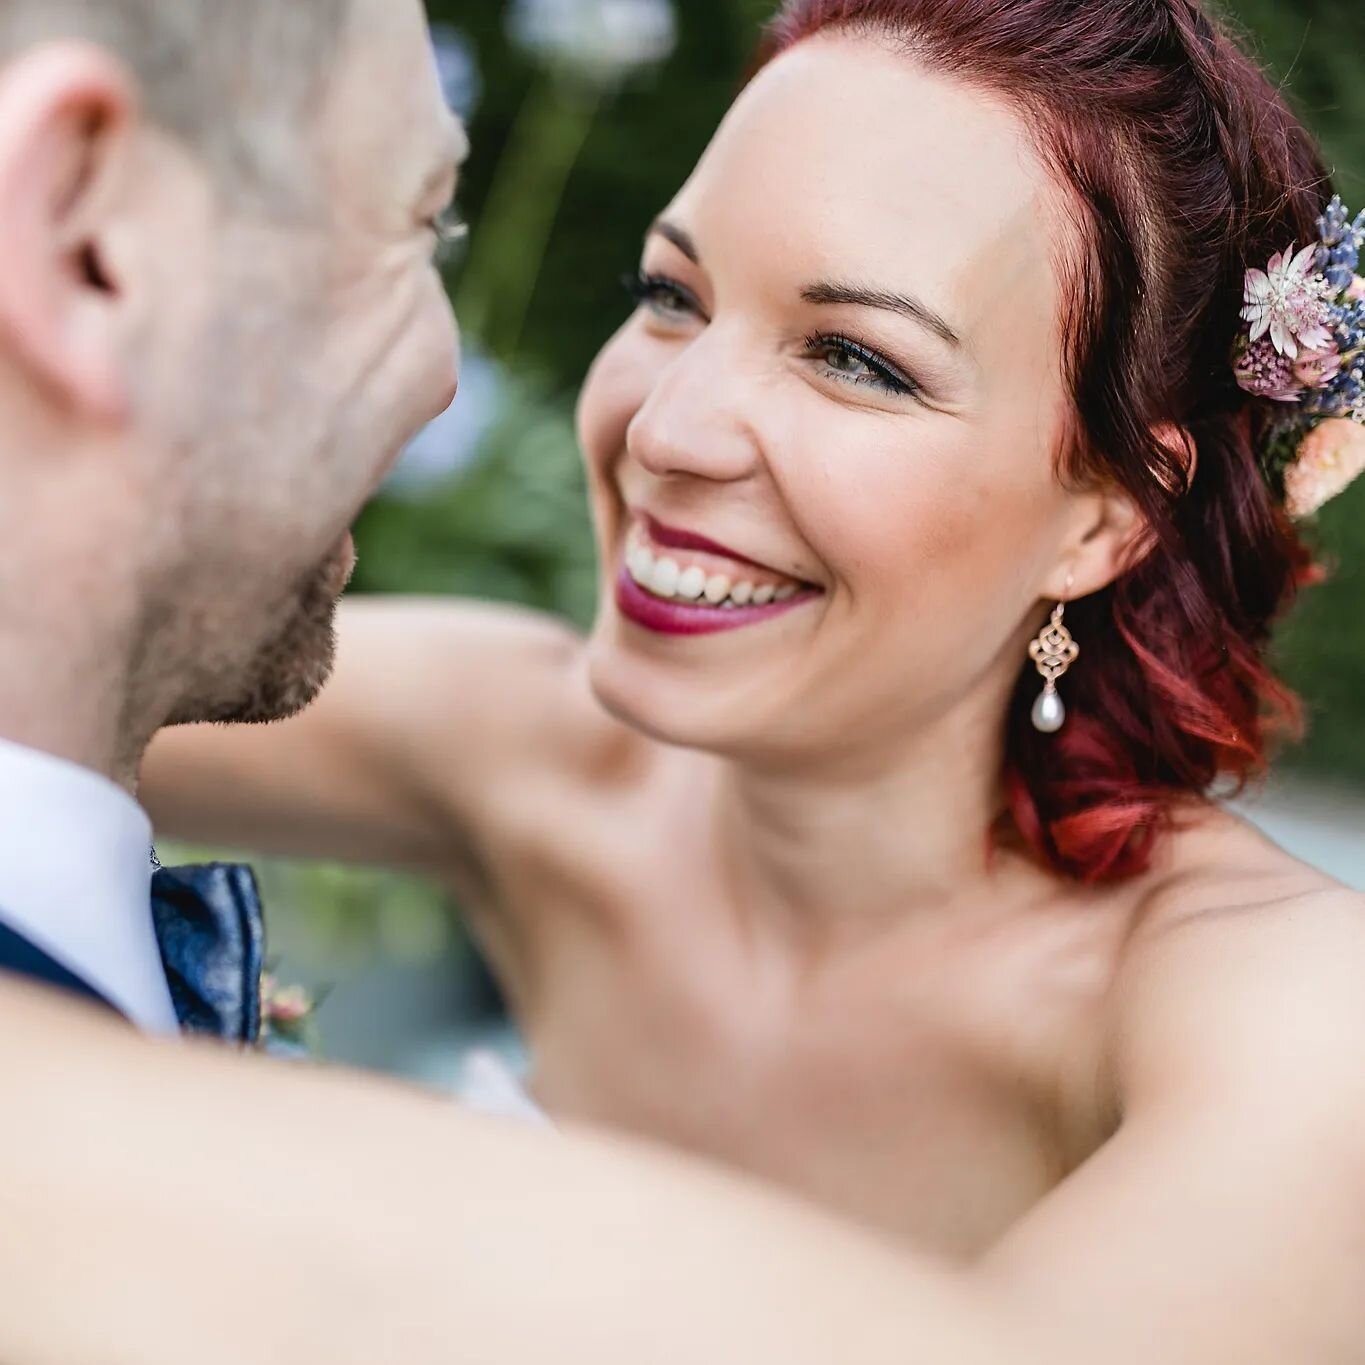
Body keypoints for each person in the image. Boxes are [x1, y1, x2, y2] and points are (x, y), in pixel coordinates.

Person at [3, 0, 1365, 1360]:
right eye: (671, 296)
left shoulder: (1288, 1010)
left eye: (855, 359)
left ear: (1103, 515)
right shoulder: (525, 748)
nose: (663, 428)